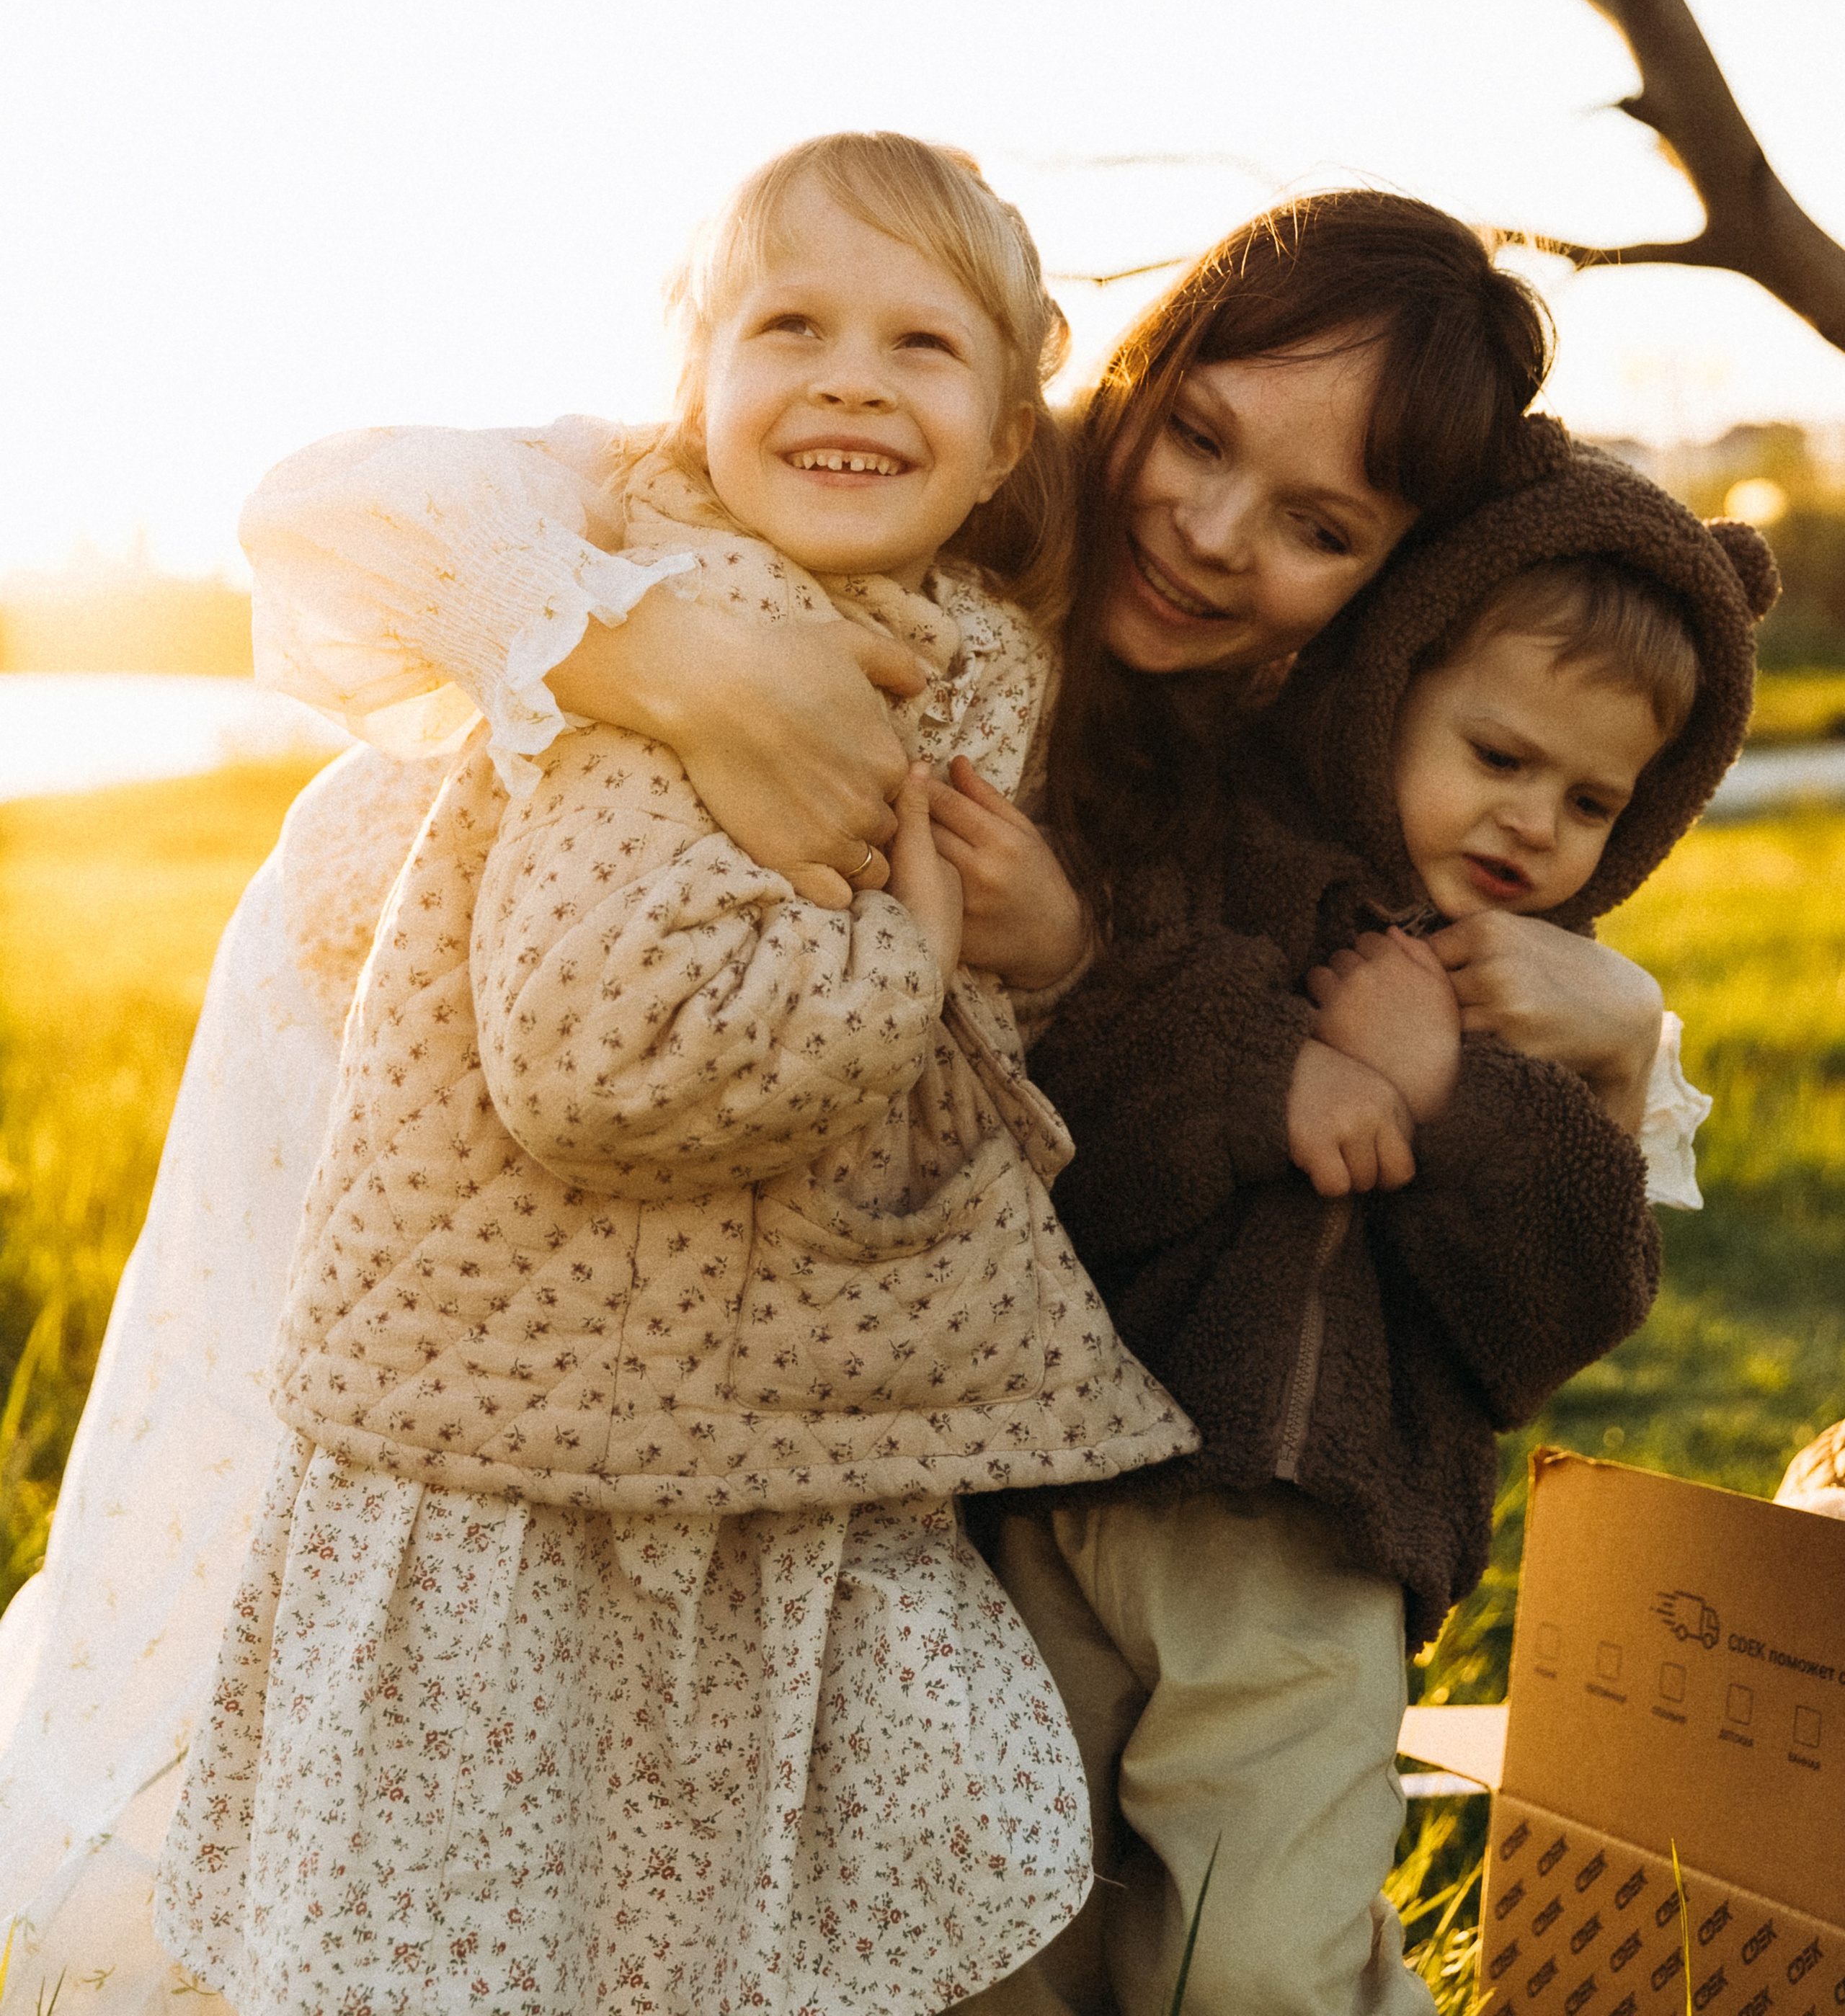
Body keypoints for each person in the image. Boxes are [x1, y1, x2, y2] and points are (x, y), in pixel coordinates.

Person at [0, 177, 1703, 2010]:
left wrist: (1616, 1029)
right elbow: (338, 512)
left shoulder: (1274, 757)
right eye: (1193, 433)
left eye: (1313, 523)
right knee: (360, 1667)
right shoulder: (901, 464)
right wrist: (662, 653)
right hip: (430, 1136)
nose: (1207, 533)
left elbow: (1392, 1105)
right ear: (1119, 371)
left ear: (1392, 579)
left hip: (774, 1301)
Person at [153, 131, 1190, 2016]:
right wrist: (916, 954)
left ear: (1014, 422)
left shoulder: (975, 648)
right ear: (697, 376)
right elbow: (609, 1058)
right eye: (791, 324)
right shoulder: (652, 584)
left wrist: (1035, 958)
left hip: (787, 1413)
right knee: (520, 1902)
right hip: (537, 1429)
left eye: (923, 346)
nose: (853, 376)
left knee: (876, 1868)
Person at [971, 419, 1774, 2016]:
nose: (1531, 825)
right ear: (1386, 681)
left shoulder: (1525, 1009)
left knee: (1260, 1953)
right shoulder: (1201, 858)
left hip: (1307, 1546)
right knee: (1011, 1921)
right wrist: (1271, 1066)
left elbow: (1551, 1315)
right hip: (1053, 1498)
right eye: (1495, 758)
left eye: (1590, 799)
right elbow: (1077, 1107)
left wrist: (1444, 1091)